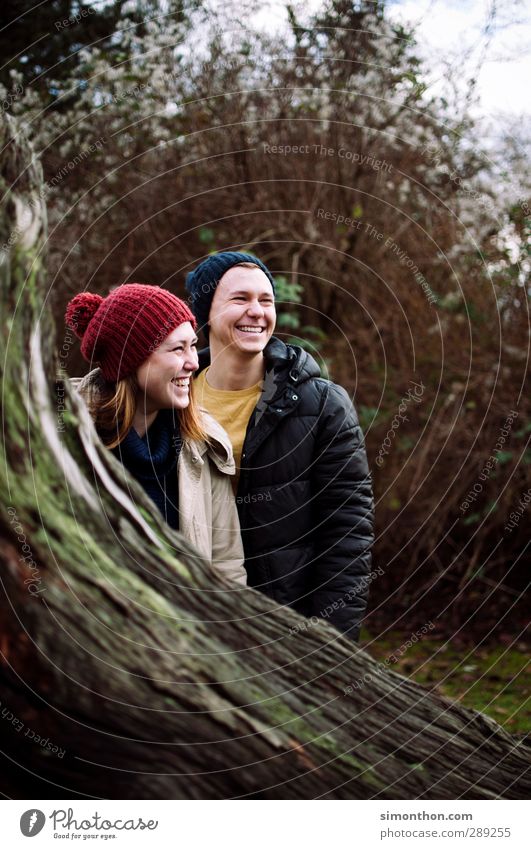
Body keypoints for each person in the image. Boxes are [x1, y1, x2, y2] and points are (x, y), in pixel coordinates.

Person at [186, 252, 374, 640]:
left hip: (288, 624)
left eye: (266, 300)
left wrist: (332, 645)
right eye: (239, 299)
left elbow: (347, 535)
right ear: (205, 312)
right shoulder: (174, 397)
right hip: (192, 619)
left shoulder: (322, 405)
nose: (256, 311)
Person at [65, 282, 246, 585]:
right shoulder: (63, 438)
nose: (194, 362)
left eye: (192, 345)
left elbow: (227, 570)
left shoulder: (204, 445)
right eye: (178, 348)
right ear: (130, 361)